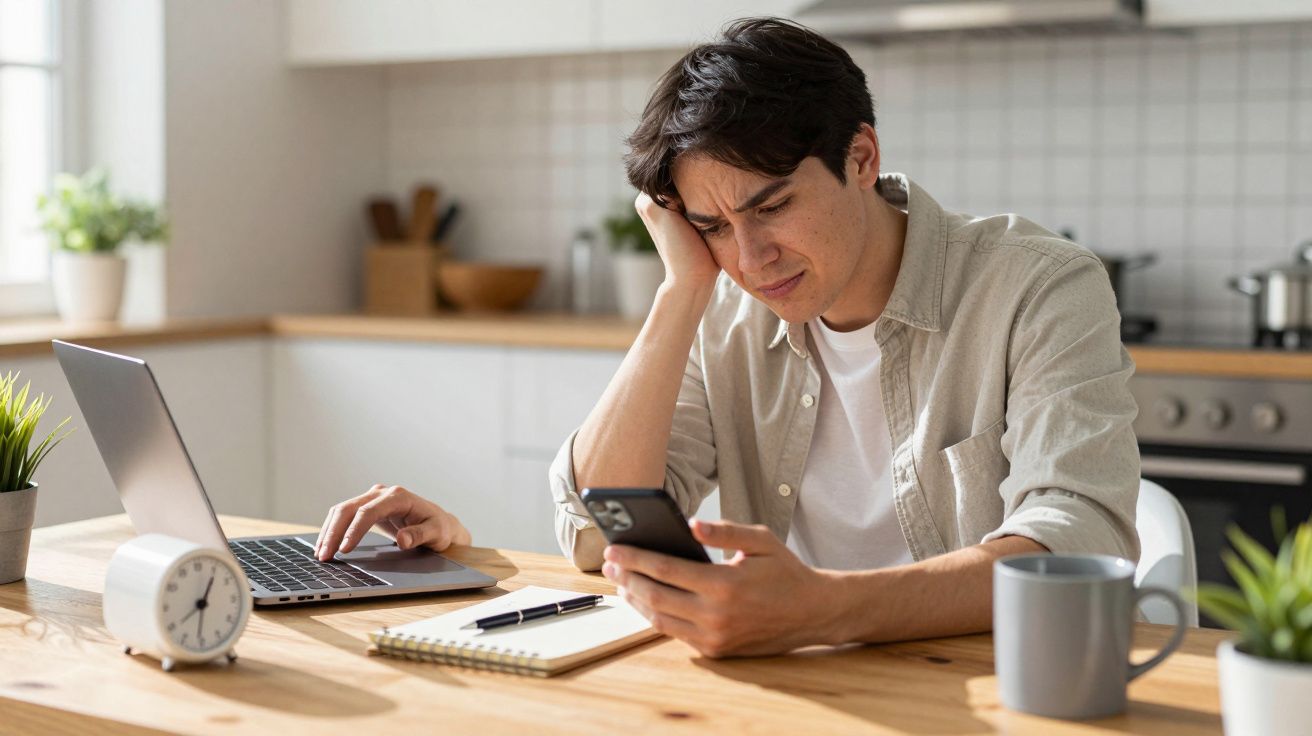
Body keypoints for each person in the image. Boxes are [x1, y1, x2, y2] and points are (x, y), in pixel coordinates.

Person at [316, 17, 1140, 659]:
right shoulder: (722, 304)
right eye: (711, 225)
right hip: (785, 686)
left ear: (861, 156)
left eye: (771, 207)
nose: (750, 259)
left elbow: (1074, 547)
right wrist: (681, 293)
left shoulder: (1038, 285)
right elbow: (600, 528)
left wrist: (826, 606)